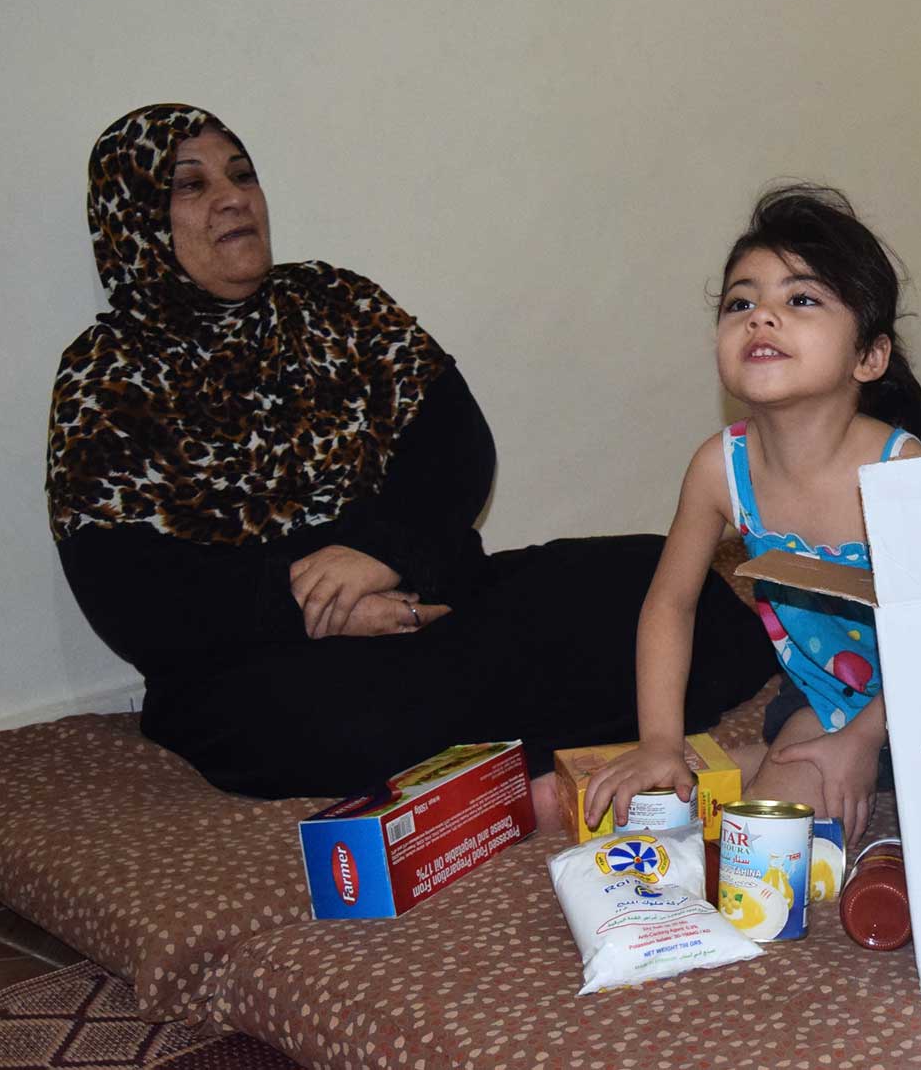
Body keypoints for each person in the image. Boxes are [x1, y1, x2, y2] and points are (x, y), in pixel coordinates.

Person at [47, 105, 775, 820]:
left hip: (428, 593)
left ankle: (524, 740)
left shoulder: (333, 299)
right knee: (361, 718)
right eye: (191, 184)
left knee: (653, 584)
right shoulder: (106, 373)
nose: (233, 196)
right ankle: (540, 740)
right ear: (134, 221)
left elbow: (458, 445)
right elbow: (130, 592)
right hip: (256, 658)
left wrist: (380, 551)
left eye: (242, 173)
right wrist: (319, 607)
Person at [584, 185, 921, 839]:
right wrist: (658, 740)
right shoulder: (720, 467)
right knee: (765, 839)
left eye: (800, 299)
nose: (761, 316)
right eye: (741, 301)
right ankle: (729, 764)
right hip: (824, 697)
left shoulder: (900, 471)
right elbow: (669, 605)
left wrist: (866, 737)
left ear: (869, 355)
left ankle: (770, 762)